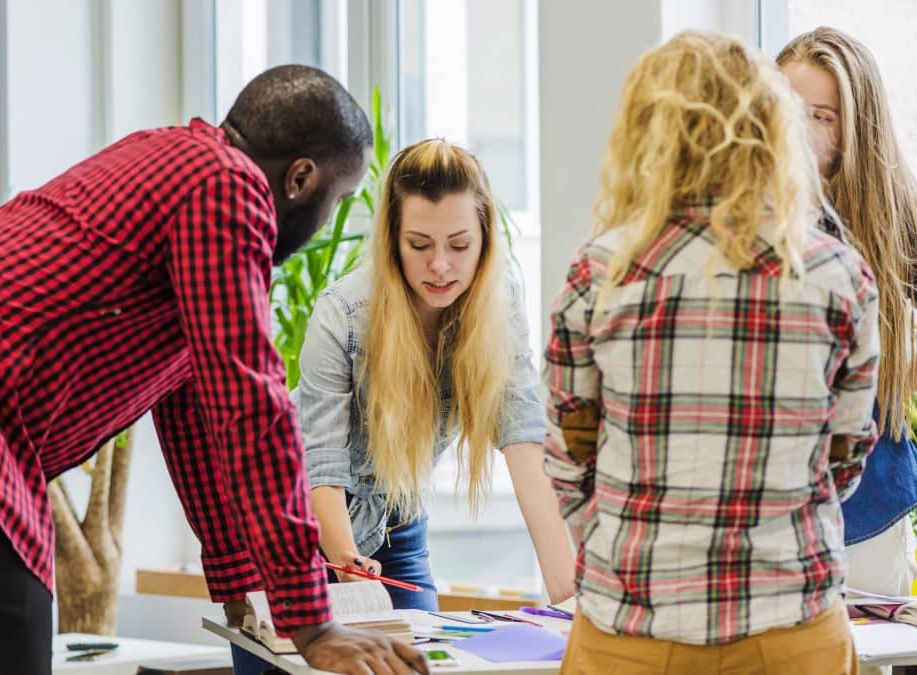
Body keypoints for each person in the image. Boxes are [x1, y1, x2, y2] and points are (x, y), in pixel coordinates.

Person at [0, 65, 428, 675]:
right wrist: (311, 619)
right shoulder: (224, 186)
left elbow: (195, 415)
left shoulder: (163, 161)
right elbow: (249, 405)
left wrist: (240, 587)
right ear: (301, 177)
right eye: (338, 197)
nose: (328, 222)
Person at [545, 32, 878, 674]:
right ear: (772, 125)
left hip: (629, 628)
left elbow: (569, 454)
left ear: (646, 133)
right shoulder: (840, 276)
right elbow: (844, 456)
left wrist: (633, 545)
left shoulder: (601, 273)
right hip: (793, 628)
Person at [295, 138, 577, 611]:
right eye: (419, 245)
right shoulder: (343, 315)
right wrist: (348, 568)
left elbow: (523, 436)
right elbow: (320, 464)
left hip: (396, 523)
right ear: (392, 241)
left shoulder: (498, 304)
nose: (441, 265)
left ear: (485, 239)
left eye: (460, 245)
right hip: (298, 531)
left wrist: (565, 589)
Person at [777, 27, 917, 605]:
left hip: (868, 518)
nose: (801, 132)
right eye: (788, 111)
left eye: (823, 117)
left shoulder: (898, 226)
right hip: (767, 521)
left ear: (857, 128)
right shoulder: (740, 229)